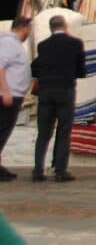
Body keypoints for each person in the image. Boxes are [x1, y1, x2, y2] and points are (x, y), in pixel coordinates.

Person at [31, 15, 84, 182]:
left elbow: (34, 68)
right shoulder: (75, 44)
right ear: (65, 26)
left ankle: (38, 170)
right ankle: (60, 171)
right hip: (65, 90)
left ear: (50, 28)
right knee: (63, 131)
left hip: (46, 92)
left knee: (44, 133)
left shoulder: (43, 46)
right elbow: (81, 70)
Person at [0, 17, 33, 182]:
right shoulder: (8, 43)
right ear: (24, 28)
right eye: (30, 29)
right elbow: (0, 67)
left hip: (13, 94)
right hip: (8, 95)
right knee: (2, 130)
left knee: (4, 131)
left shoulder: (14, 44)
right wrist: (5, 91)